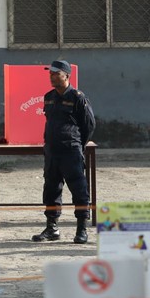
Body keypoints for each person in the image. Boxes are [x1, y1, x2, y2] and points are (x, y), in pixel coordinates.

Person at [33, 60, 95, 245]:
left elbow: (89, 125)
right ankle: (52, 228)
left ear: (66, 76)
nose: (51, 77)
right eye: (50, 74)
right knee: (51, 189)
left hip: (71, 151)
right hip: (52, 151)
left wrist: (77, 144)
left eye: (56, 73)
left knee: (79, 189)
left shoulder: (78, 97)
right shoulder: (49, 97)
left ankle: (81, 229)